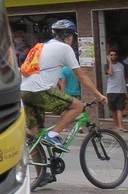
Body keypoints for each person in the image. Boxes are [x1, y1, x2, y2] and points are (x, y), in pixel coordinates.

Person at [20, 19, 106, 152]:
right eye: (73, 36)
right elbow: (81, 75)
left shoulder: (42, 46)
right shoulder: (64, 48)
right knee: (77, 106)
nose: (73, 40)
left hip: (24, 92)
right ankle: (53, 134)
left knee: (34, 137)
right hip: (39, 91)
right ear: (68, 36)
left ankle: (41, 172)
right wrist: (98, 95)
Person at [105, 46, 127, 131]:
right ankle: (116, 125)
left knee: (120, 108)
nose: (113, 56)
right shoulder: (107, 66)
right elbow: (110, 73)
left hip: (121, 91)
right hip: (111, 91)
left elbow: (123, 78)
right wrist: (110, 62)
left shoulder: (121, 65)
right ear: (109, 56)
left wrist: (125, 91)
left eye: (114, 55)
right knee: (113, 109)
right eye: (111, 55)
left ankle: (121, 126)